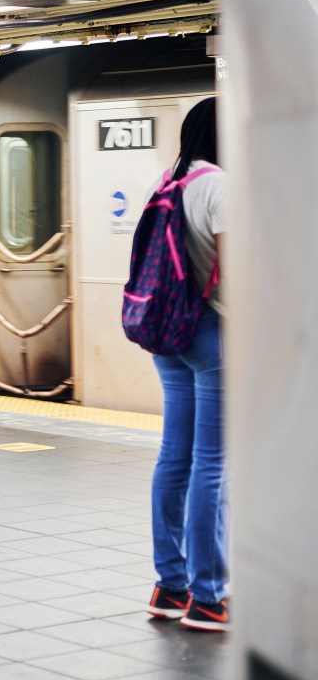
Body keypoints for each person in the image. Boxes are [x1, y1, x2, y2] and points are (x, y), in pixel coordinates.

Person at [143, 97, 229, 632]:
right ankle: (209, 596)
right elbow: (233, 272)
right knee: (212, 465)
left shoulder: (167, 181)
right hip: (210, 332)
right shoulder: (219, 185)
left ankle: (169, 586)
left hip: (165, 333)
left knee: (174, 457)